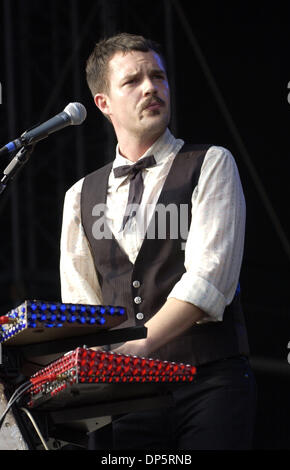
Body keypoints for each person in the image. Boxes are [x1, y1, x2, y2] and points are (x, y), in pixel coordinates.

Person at [60, 32, 256, 450]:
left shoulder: (210, 163)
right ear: (103, 103)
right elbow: (83, 309)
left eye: (158, 77)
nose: (151, 87)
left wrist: (141, 345)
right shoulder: (79, 196)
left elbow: (208, 280)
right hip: (126, 397)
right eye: (132, 81)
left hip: (207, 382)